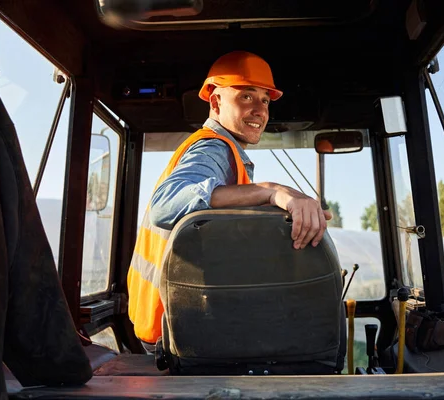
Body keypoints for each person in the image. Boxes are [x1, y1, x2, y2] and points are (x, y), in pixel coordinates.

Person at [127, 50, 333, 349]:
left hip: (171, 322)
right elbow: (165, 205)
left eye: (265, 100)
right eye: (246, 96)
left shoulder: (227, 154)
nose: (260, 110)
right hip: (173, 331)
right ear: (215, 102)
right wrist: (269, 191)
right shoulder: (212, 149)